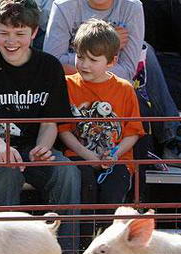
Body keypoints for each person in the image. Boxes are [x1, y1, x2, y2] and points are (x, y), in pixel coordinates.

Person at [0, 0, 81, 254]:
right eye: (3, 33)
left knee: (67, 173)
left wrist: (44, 147)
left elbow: (50, 122)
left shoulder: (49, 66)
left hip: (33, 148)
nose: (11, 41)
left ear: (34, 33)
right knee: (6, 172)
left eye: (20, 34)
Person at [43, 0, 180, 146]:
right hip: (74, 87)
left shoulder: (132, 6)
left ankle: (168, 138)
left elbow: (127, 71)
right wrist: (103, 47)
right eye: (83, 56)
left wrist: (89, 57)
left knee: (146, 53)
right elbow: (52, 65)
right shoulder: (64, 5)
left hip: (113, 87)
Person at [59, 19, 144, 214]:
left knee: (112, 193)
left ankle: (108, 241)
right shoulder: (66, 85)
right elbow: (63, 130)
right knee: (84, 188)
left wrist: (113, 155)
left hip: (118, 159)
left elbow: (133, 132)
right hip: (78, 156)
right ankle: (84, 242)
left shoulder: (125, 89)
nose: (84, 65)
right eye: (80, 57)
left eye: (93, 60)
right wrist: (89, 156)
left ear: (112, 61)